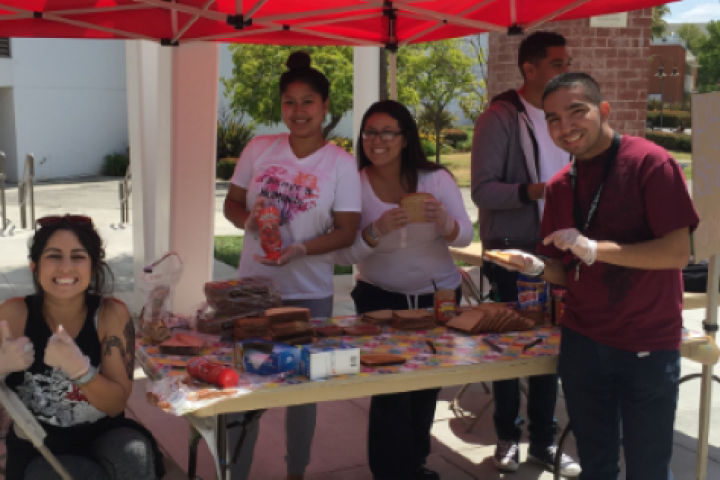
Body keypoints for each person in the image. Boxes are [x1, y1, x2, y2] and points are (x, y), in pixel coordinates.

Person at [486, 72, 699, 479]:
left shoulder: (650, 163)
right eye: (552, 119)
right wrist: (532, 266)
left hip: (646, 343)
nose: (565, 127)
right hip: (583, 342)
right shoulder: (560, 187)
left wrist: (594, 249)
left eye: (576, 112)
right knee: (596, 466)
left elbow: (677, 253)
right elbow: (564, 273)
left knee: (648, 468)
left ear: (603, 110)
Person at [223, 51, 361, 480]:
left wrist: (300, 249)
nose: (297, 111)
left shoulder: (340, 163)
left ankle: (296, 472)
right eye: (289, 101)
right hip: (252, 291)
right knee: (243, 388)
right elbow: (231, 202)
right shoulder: (259, 148)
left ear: (325, 107)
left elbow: (347, 230)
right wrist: (247, 221)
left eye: (308, 102)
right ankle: (235, 472)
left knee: (302, 390)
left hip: (309, 295)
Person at [334, 100, 473, 480]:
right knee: (390, 388)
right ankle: (389, 472)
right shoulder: (354, 184)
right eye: (369, 132)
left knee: (427, 386)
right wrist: (374, 232)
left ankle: (415, 464)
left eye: (387, 132)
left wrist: (445, 222)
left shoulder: (436, 179)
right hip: (380, 298)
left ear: (405, 137)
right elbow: (342, 252)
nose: (376, 141)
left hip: (438, 298)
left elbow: (466, 234)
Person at [470, 31, 580, 475]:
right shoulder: (499, 118)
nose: (565, 69)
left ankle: (543, 442)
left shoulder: (564, 116)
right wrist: (538, 190)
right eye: (557, 63)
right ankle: (506, 438)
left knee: (549, 349)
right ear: (529, 69)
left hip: (559, 253)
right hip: (512, 254)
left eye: (566, 62)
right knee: (506, 349)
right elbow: (483, 190)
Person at [0, 214, 164, 480]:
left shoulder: (111, 314)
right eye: (54, 256)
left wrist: (80, 370)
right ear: (34, 266)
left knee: (134, 455)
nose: (66, 267)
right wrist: (1, 366)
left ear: (94, 267)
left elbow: (115, 405)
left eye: (78, 256)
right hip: (38, 443)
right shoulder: (13, 315)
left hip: (103, 432)